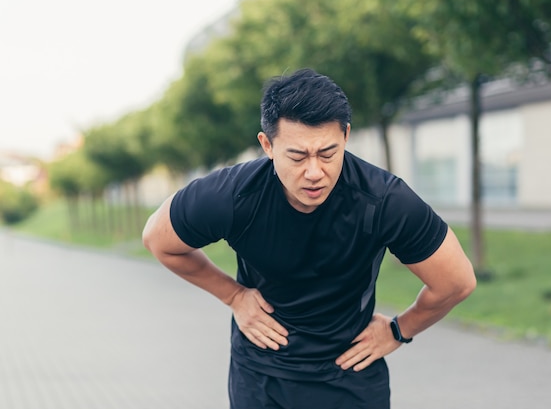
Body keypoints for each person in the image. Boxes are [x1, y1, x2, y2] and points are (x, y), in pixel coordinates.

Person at [142, 68, 476, 409]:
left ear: (346, 136)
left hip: (350, 374)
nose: (315, 172)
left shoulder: (384, 201)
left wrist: (399, 330)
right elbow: (158, 239)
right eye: (298, 156)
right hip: (261, 376)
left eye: (328, 154)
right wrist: (233, 296)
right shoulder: (232, 195)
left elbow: (456, 282)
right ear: (267, 145)